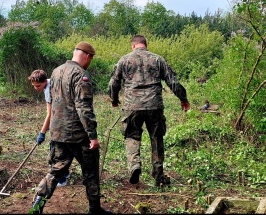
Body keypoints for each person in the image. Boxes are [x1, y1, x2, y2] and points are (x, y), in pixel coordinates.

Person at [30, 42, 110, 214]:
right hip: (79, 134)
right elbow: (83, 107)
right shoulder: (81, 75)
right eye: (91, 59)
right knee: (90, 172)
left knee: (55, 171)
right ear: (87, 56)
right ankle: (94, 209)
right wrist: (93, 136)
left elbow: (54, 102)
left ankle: (37, 204)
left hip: (58, 132)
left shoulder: (56, 71)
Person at [107, 34, 190, 187]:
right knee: (157, 138)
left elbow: (113, 83)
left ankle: (135, 166)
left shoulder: (124, 60)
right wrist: (183, 99)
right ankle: (158, 176)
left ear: (133, 46)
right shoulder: (158, 59)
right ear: (146, 45)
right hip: (154, 105)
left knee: (132, 135)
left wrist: (114, 100)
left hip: (132, 106)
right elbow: (173, 81)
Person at [28, 69, 70, 187]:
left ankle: (61, 179)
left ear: (44, 81)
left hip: (61, 121)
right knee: (64, 148)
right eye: (34, 86)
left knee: (56, 151)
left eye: (38, 85)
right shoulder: (52, 82)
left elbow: (50, 114)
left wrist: (42, 132)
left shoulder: (48, 89)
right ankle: (65, 173)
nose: (36, 88)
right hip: (65, 118)